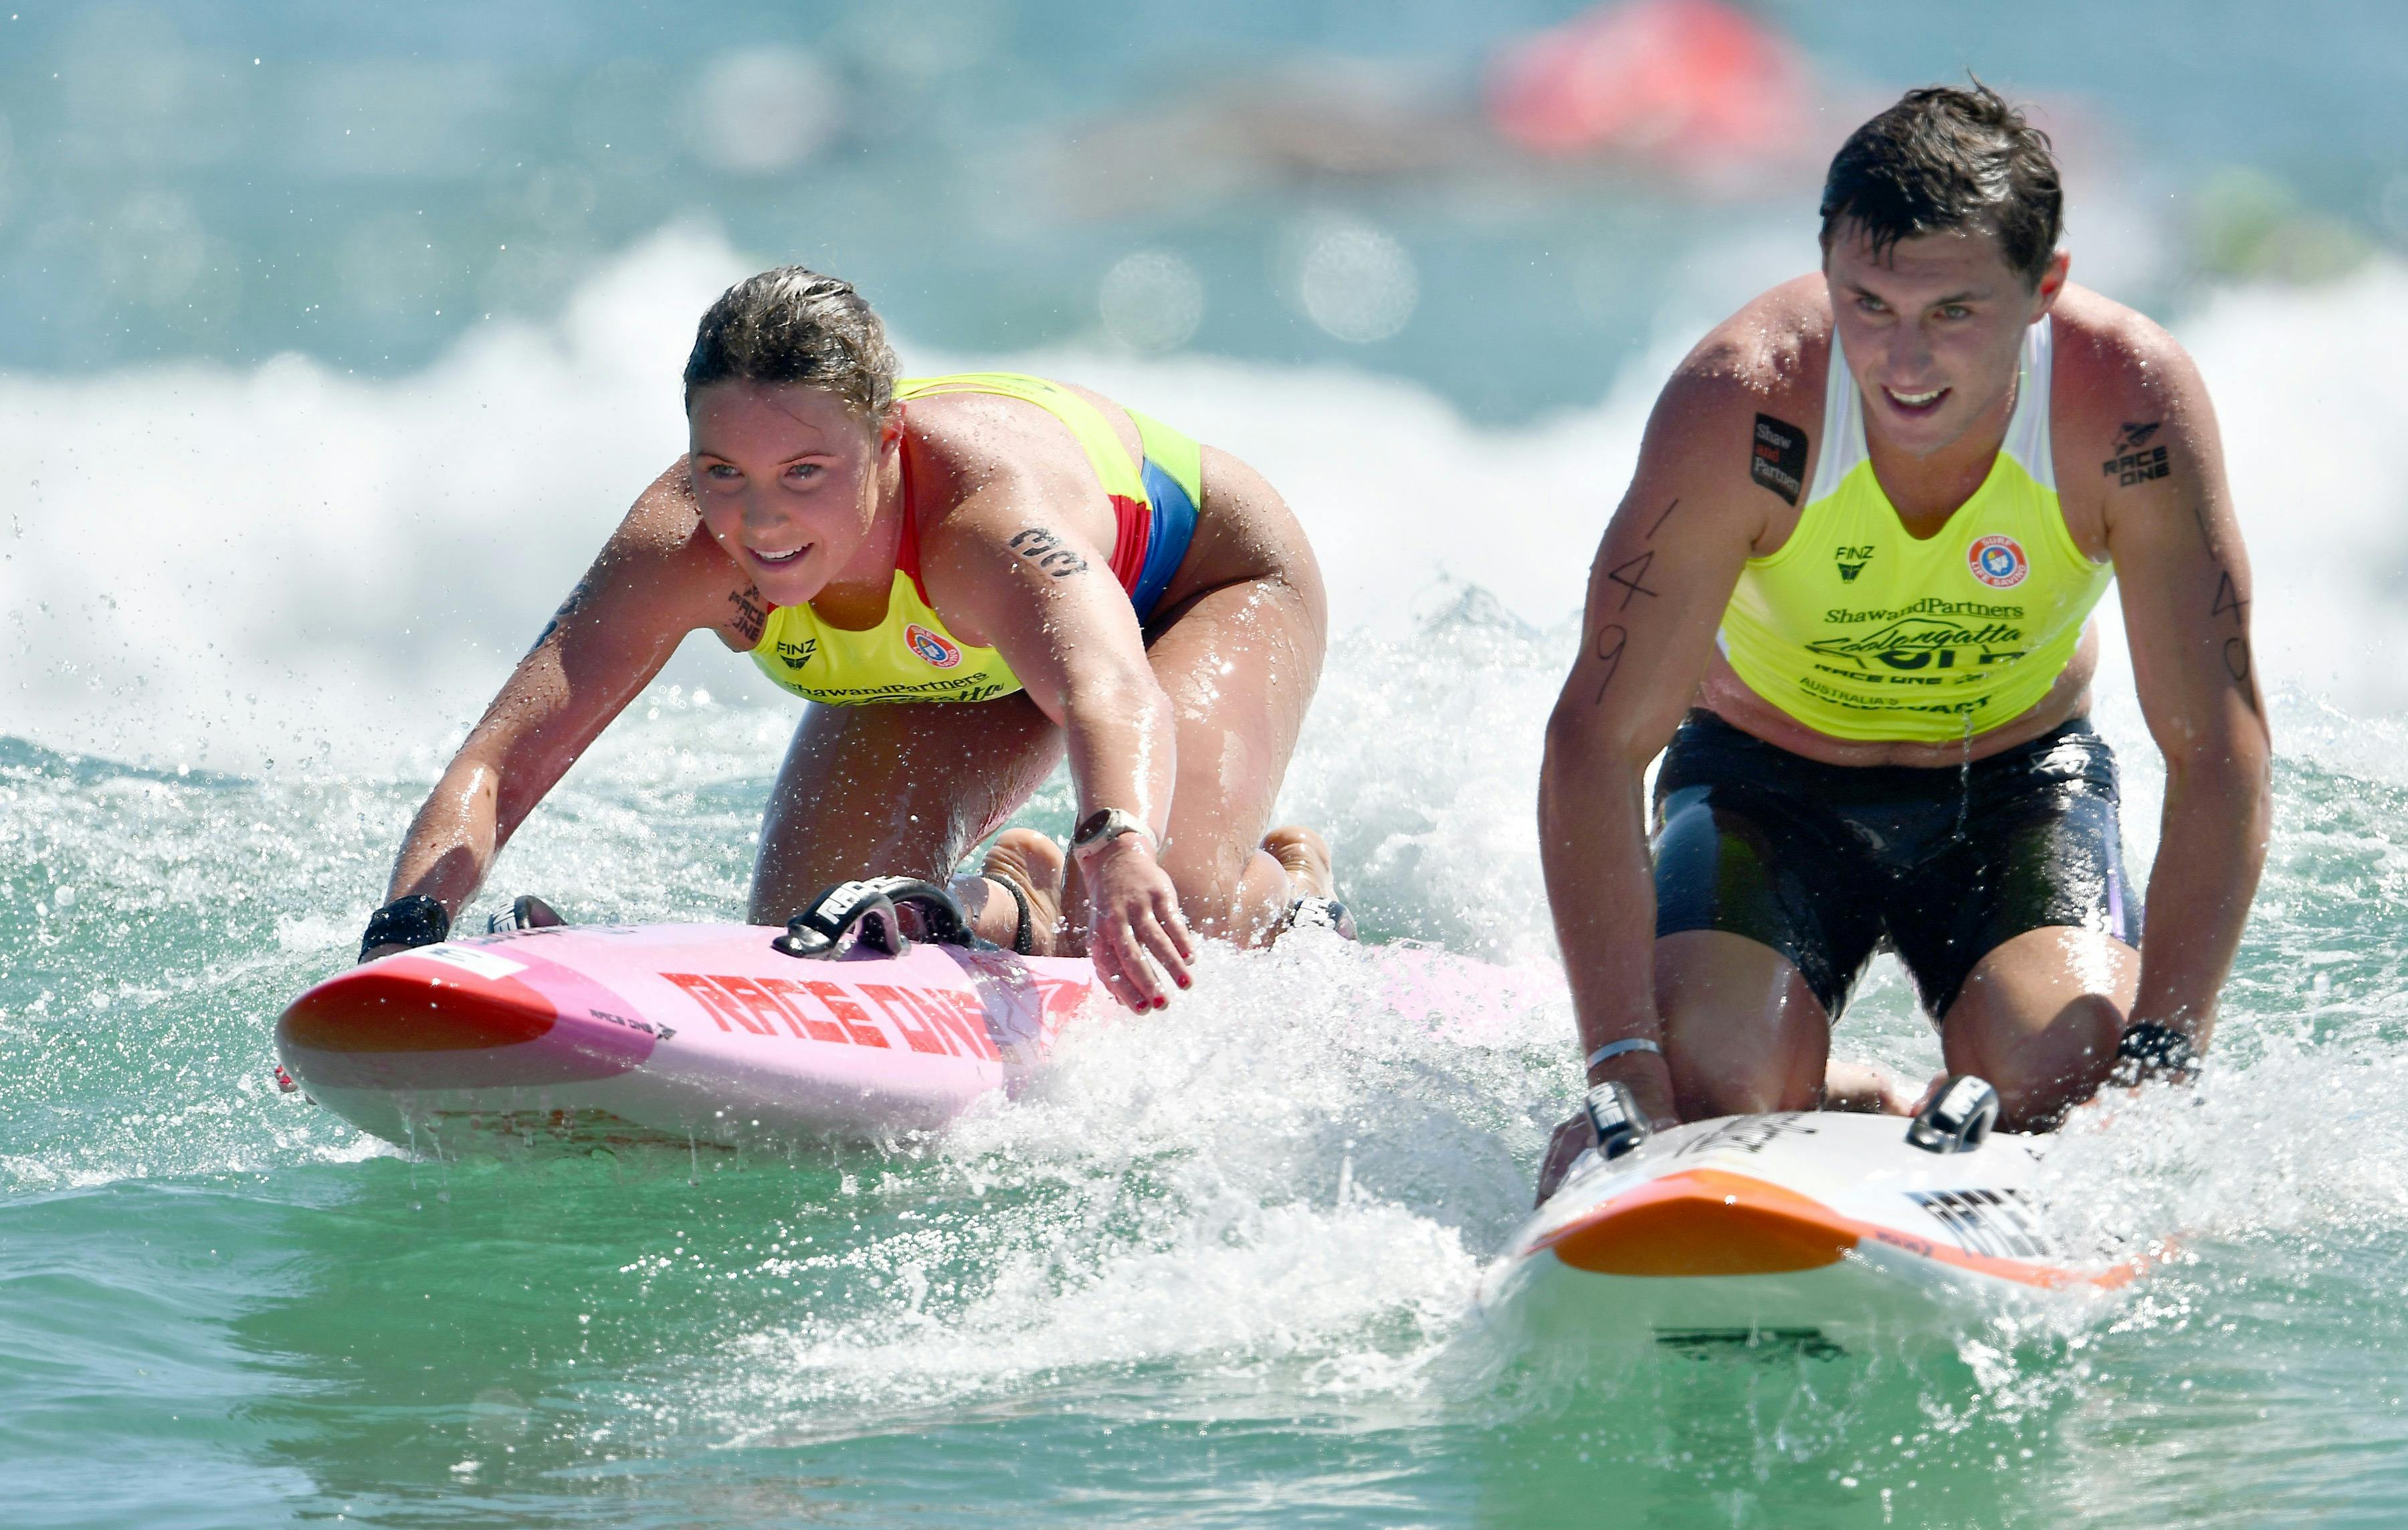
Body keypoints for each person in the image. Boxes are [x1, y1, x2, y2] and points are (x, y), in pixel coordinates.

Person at [1534, 83, 2270, 1194]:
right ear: (1826, 263)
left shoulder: (2126, 409)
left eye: (1954, 313)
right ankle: (1852, 1099)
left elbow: (2218, 746)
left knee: (2069, 1082)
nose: (1903, 363)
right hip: (1763, 786)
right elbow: (1595, 743)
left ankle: (1959, 1089)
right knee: (1709, 1087)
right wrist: (1622, 1067)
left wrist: (2162, 1056)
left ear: (2043, 289)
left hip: (2014, 786)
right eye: (1868, 304)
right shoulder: (1748, 405)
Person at [358, 267, 1341, 1009]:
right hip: (979, 654)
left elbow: (1113, 693)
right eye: (724, 470)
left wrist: (1117, 845)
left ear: (887, 443)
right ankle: (1022, 903)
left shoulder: (984, 526)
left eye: (804, 472)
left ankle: (1285, 892)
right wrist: (400, 943)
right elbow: (499, 764)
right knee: (814, 941)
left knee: (1157, 906)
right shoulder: (686, 543)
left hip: (1193, 584)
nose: (761, 520)